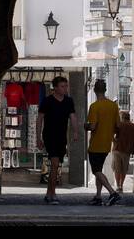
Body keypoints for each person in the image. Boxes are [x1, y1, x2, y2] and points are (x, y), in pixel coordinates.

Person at [37, 75, 79, 205]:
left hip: (62, 137)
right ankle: (53, 194)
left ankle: (49, 193)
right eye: (62, 86)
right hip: (49, 135)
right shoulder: (47, 101)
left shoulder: (68, 101)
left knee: (56, 166)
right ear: (55, 88)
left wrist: (76, 131)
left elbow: (73, 117)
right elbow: (39, 119)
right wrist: (38, 137)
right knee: (55, 164)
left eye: (66, 86)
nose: (65, 88)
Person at [85, 79, 121, 206]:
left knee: (96, 171)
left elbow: (93, 126)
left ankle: (112, 193)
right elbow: (118, 125)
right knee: (98, 169)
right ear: (105, 90)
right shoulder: (113, 106)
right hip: (107, 144)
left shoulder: (94, 107)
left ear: (94, 90)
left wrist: (86, 126)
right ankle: (98, 196)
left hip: (96, 144)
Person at [111, 111, 134, 192]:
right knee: (124, 169)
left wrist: (113, 141)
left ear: (122, 117)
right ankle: (121, 185)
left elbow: (111, 132)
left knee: (117, 168)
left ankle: (118, 186)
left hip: (117, 149)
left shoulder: (120, 125)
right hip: (127, 150)